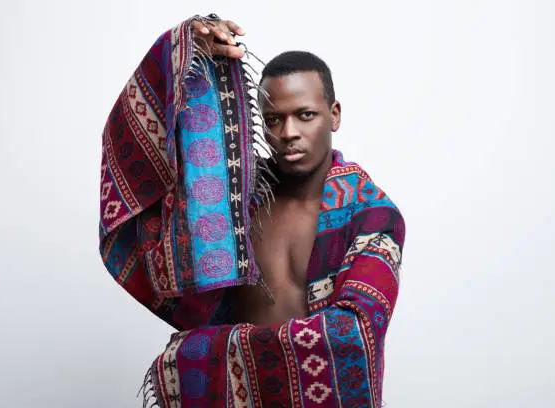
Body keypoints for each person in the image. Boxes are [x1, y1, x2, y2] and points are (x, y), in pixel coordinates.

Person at [99, 14, 405, 408]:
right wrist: (183, 56)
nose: (289, 132)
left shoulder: (373, 215)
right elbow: (140, 164)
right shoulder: (232, 199)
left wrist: (204, 352)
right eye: (274, 119)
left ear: (335, 115)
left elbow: (354, 335)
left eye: (305, 115)